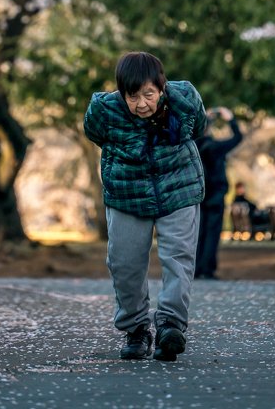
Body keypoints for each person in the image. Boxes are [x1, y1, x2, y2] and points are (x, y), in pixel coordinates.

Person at [83, 51, 207, 363]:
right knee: (124, 264)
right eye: (133, 96)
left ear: (162, 88)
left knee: (178, 258)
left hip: (179, 189)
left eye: (149, 94)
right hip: (127, 193)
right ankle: (136, 329)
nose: (142, 104)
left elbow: (199, 127)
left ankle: (170, 326)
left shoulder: (185, 100)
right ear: (120, 92)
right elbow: (94, 133)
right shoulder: (103, 110)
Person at [194, 108, 243, 279]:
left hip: (198, 196)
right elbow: (237, 138)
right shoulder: (214, 147)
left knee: (199, 233)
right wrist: (230, 119)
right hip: (214, 195)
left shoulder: (194, 146)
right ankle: (207, 269)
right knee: (212, 233)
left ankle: (196, 268)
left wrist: (204, 117)